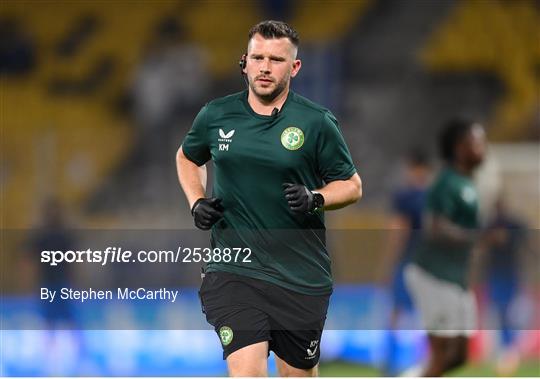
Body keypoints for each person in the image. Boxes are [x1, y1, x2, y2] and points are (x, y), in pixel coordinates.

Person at [176, 20, 362, 377]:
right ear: (243, 61)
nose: (264, 67)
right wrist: (196, 200)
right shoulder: (216, 115)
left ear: (294, 68)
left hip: (300, 275)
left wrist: (316, 197)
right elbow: (187, 156)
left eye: (276, 59)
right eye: (257, 57)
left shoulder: (316, 122)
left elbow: (351, 185)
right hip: (235, 270)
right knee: (247, 372)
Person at [405, 118, 487, 376]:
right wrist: (478, 238)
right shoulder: (447, 182)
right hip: (434, 276)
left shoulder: (467, 183)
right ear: (459, 147)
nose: (483, 147)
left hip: (455, 280)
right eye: (477, 141)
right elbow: (434, 228)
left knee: (459, 357)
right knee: (441, 355)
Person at [381, 149, 431, 375]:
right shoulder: (435, 196)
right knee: (428, 314)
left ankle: (391, 365)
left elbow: (399, 231)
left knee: (396, 313)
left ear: (412, 167)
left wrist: (388, 264)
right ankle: (428, 363)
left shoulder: (405, 196)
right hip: (429, 264)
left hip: (408, 261)